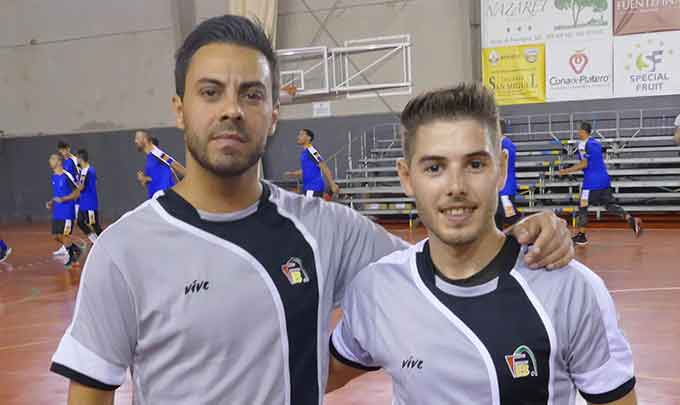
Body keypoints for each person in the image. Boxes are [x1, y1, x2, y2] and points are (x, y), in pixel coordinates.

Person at [50, 15, 574, 405]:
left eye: (251, 94)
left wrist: (531, 232)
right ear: (180, 107)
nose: (232, 108)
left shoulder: (327, 231)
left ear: (274, 113)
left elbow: (446, 264)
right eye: (211, 92)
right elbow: (91, 392)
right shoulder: (124, 250)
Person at [328, 84, 637, 404]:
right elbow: (317, 374)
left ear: (501, 169)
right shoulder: (376, 290)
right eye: (434, 168)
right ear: (407, 177)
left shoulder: (571, 288)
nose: (456, 187)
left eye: (475, 164)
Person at [557, 122, 642, 245]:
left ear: (583, 131)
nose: (577, 132)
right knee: (609, 205)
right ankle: (630, 219)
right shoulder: (596, 143)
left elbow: (584, 164)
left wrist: (565, 171)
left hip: (591, 183)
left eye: (578, 130)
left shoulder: (582, 145)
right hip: (604, 180)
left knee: (583, 207)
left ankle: (582, 236)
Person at [46, 154, 82, 268]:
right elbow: (57, 193)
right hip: (57, 211)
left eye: (52, 158)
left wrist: (63, 199)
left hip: (67, 211)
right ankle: (76, 248)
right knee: (56, 236)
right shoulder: (54, 176)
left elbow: (77, 192)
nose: (50, 161)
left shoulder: (66, 176)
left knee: (65, 235)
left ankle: (73, 257)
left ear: (59, 161)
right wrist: (52, 202)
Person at [285, 128, 340, 198]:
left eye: (301, 135)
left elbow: (323, 166)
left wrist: (332, 184)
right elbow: (307, 169)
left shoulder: (312, 151)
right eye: (299, 135)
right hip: (308, 188)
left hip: (313, 187)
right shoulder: (304, 152)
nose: (298, 137)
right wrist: (293, 173)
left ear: (308, 138)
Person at [134, 130, 186, 198]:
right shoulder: (150, 158)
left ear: (145, 139)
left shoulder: (157, 153)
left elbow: (174, 164)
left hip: (166, 197)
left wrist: (193, 180)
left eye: (137, 138)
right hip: (157, 199)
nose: (135, 141)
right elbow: (154, 180)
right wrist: (144, 179)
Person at [54, 141, 81, 256]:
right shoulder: (65, 163)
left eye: (65, 149)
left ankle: (97, 241)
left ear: (69, 148)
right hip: (70, 197)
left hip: (75, 196)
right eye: (61, 150)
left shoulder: (74, 161)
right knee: (68, 223)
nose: (63, 152)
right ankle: (66, 246)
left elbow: (78, 177)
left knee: (72, 223)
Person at [494, 119, 520, 229]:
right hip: (502, 188)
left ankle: (527, 240)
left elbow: (503, 166)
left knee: (511, 217)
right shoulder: (504, 143)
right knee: (496, 217)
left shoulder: (504, 145)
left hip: (504, 189)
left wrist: (500, 186)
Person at [75, 149, 103, 244]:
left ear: (80, 159)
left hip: (90, 204)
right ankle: (95, 241)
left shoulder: (87, 171)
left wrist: (77, 185)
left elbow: (81, 187)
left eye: (77, 159)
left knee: (94, 225)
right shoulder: (87, 170)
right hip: (83, 203)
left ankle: (104, 242)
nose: (76, 161)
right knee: (80, 222)